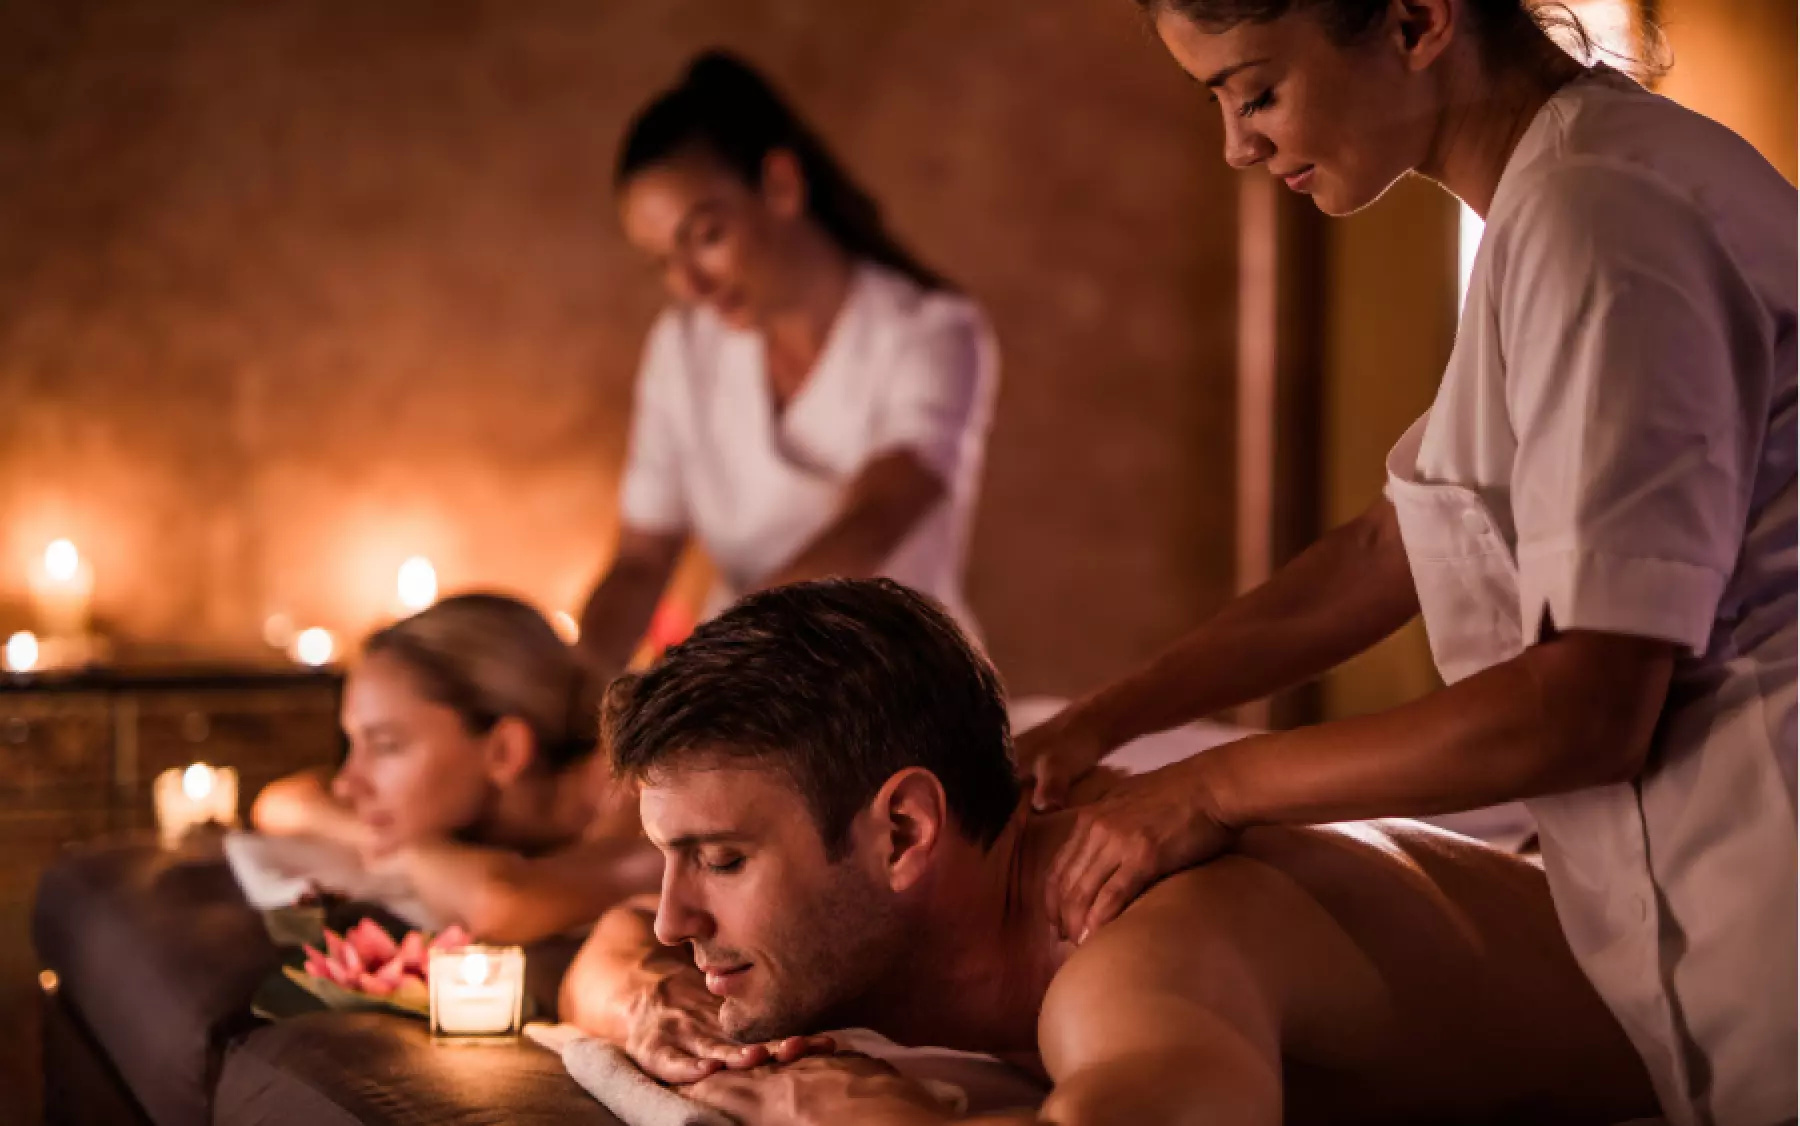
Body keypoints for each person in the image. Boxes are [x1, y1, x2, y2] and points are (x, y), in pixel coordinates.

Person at [1010, 3, 1796, 1122]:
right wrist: (1109, 715)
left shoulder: (1603, 218)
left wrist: (1212, 785)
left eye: (1257, 90)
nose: (1239, 144)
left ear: (1417, 22)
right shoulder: (1556, 206)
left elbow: (1586, 706)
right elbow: (1394, 543)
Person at [560, 580, 1657, 1125]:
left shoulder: (1133, 948)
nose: (673, 918)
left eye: (721, 861)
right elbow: (608, 948)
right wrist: (645, 1003)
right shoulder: (942, 897)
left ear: (903, 832)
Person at [577, 50, 998, 679]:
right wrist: (574, 684)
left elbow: (875, 520)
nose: (688, 282)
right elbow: (642, 560)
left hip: (905, 688)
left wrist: (705, 664)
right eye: (663, 261)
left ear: (781, 185)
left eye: (706, 237)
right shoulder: (682, 348)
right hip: (742, 686)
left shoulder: (930, 331)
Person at [251, 593, 660, 943]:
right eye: (353, 745)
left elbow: (505, 904)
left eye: (386, 746)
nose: (345, 785)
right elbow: (283, 802)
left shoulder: (640, 790)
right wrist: (381, 839)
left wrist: (413, 855)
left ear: (503, 750)